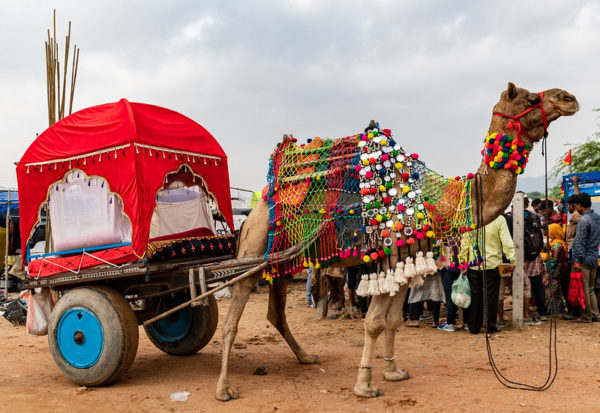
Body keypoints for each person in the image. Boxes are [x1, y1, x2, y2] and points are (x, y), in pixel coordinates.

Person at [460, 215, 515, 334]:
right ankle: (490, 326)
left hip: (473, 264)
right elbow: (507, 242)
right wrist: (512, 259)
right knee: (491, 296)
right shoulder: (498, 219)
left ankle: (474, 327)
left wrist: (464, 261)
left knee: (475, 296)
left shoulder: (471, 217)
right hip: (492, 264)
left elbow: (465, 241)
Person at [570, 193, 600, 323]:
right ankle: (595, 314)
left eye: (576, 205)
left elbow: (580, 242)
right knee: (591, 289)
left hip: (583, 259)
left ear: (580, 205)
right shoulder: (597, 218)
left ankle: (586, 316)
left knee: (584, 289)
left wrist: (577, 261)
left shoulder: (583, 220)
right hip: (593, 257)